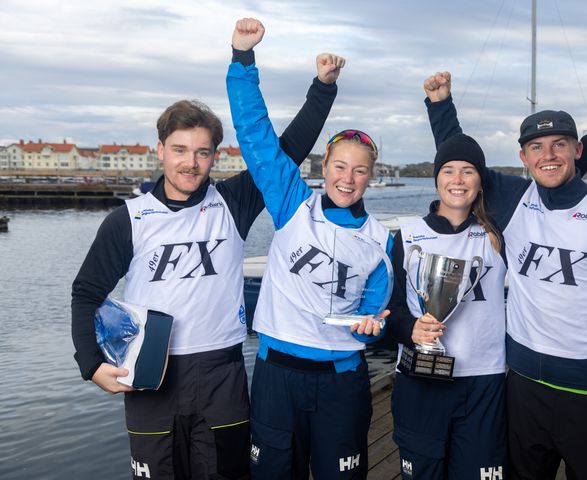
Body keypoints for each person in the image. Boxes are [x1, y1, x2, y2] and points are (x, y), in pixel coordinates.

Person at [71, 48, 344, 479]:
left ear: (215, 155)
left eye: (202, 152)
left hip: (222, 375)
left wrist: (323, 88)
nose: (190, 163)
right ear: (160, 149)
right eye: (180, 150)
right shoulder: (128, 219)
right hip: (150, 375)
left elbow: (285, 150)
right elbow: (86, 292)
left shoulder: (232, 202)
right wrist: (91, 364)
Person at [425, 72, 587, 480]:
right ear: (523, 157)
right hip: (522, 389)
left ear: (578, 150)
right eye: (536, 147)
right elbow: (460, 159)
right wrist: (440, 104)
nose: (548, 155)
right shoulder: (513, 200)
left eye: (560, 145)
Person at [226, 18, 393, 480]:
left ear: (371, 177)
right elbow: (255, 136)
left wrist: (368, 330)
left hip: (342, 382)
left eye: (359, 171)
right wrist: (243, 57)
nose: (347, 178)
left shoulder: (381, 241)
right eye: (339, 166)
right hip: (277, 377)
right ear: (324, 168)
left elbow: (375, 318)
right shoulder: (292, 204)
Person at [386, 133, 508, 479]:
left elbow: (554, 183)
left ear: (481, 181)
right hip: (422, 381)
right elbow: (390, 308)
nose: (458, 180)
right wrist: (410, 329)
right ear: (436, 178)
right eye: (449, 171)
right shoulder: (407, 236)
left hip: (483, 383)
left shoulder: (495, 235)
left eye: (468, 171)